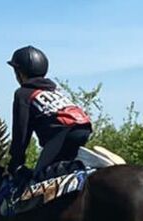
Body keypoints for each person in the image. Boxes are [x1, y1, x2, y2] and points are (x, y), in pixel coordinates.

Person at [6, 45, 92, 181]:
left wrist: (15, 162)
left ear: (19, 72)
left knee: (40, 178)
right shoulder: (53, 91)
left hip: (63, 134)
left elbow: (21, 131)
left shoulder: (23, 93)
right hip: (84, 128)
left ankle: (77, 168)